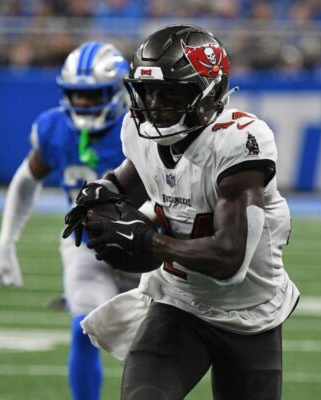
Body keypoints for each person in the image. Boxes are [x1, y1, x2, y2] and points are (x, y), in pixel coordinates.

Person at [63, 25, 300, 400]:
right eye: (149, 91)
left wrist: (150, 242)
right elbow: (128, 179)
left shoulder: (238, 142)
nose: (155, 105)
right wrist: (99, 195)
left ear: (208, 94)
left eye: (171, 93)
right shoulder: (139, 133)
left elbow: (229, 258)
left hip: (250, 313)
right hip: (178, 303)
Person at [0, 41, 139, 400]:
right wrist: (7, 241)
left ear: (117, 92)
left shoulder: (139, 128)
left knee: (154, 343)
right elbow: (26, 179)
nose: (82, 103)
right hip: (85, 243)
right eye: (76, 94)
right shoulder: (55, 128)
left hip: (145, 242)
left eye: (93, 95)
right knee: (84, 328)